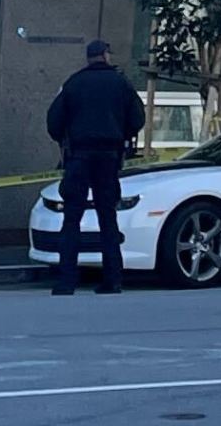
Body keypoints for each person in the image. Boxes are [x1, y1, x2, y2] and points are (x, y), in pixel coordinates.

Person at [44, 39, 145, 295]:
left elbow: (54, 121)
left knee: (72, 219)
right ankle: (112, 279)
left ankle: (66, 282)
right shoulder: (121, 84)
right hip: (109, 157)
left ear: (89, 58)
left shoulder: (73, 83)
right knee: (107, 218)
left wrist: (65, 140)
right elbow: (138, 118)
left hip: (78, 157)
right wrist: (121, 133)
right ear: (105, 56)